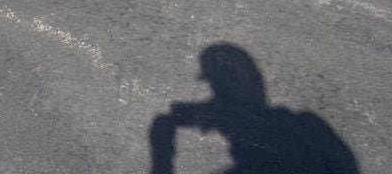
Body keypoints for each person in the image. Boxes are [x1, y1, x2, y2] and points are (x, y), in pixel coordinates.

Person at [149, 43, 359, 174]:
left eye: (218, 84)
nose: (215, 91)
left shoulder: (273, 129)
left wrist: (161, 160)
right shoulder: (306, 123)